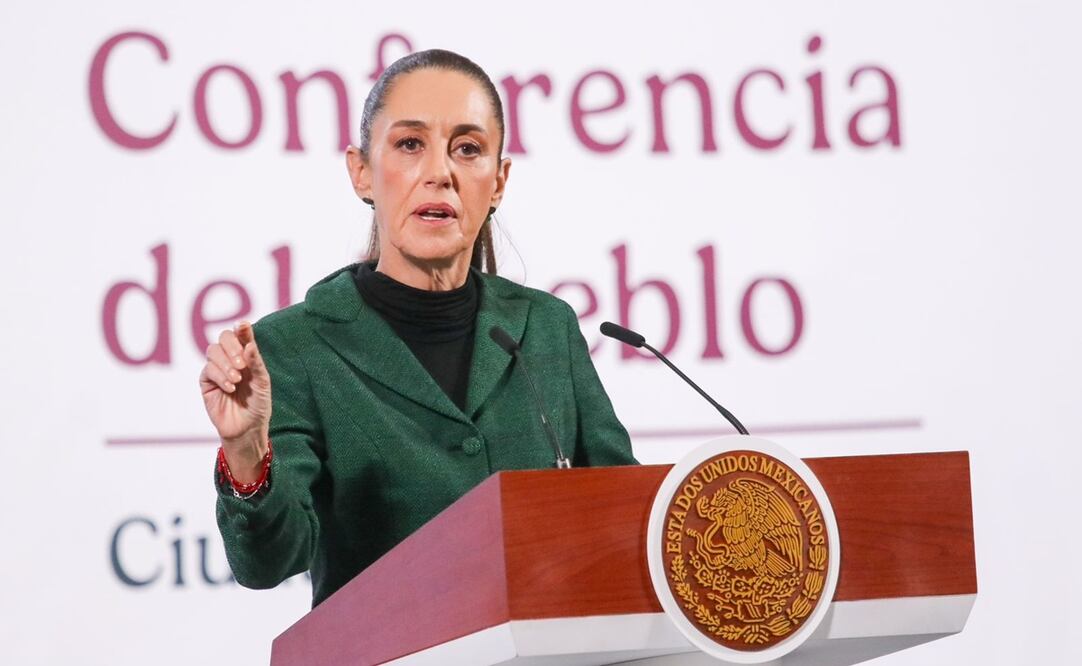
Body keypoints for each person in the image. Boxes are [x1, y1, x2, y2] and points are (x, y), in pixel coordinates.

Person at [199, 49, 637, 608]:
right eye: (410, 145)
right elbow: (268, 563)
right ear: (361, 171)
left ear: (499, 181)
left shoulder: (546, 328)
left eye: (469, 149)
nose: (440, 173)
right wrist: (245, 451)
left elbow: (624, 512)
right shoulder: (293, 347)